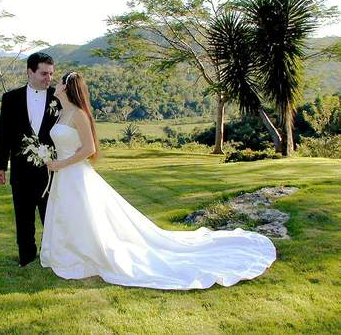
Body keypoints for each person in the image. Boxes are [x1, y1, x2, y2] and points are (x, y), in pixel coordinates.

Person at [41, 71, 276, 290]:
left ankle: (87, 255)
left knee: (82, 215)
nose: (56, 85)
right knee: (67, 214)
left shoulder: (79, 114)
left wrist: (61, 163)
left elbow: (89, 148)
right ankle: (68, 254)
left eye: (59, 82)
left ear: (67, 87)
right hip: (64, 174)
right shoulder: (62, 112)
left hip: (73, 173)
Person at [0, 52, 61, 267]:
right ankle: (27, 257)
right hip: (21, 169)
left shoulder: (59, 98)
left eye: (51, 74)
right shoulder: (10, 98)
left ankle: (53, 256)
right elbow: (3, 133)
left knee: (51, 216)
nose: (48, 78)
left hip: (51, 170)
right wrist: (0, 165)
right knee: (23, 218)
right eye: (43, 73)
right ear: (30, 72)